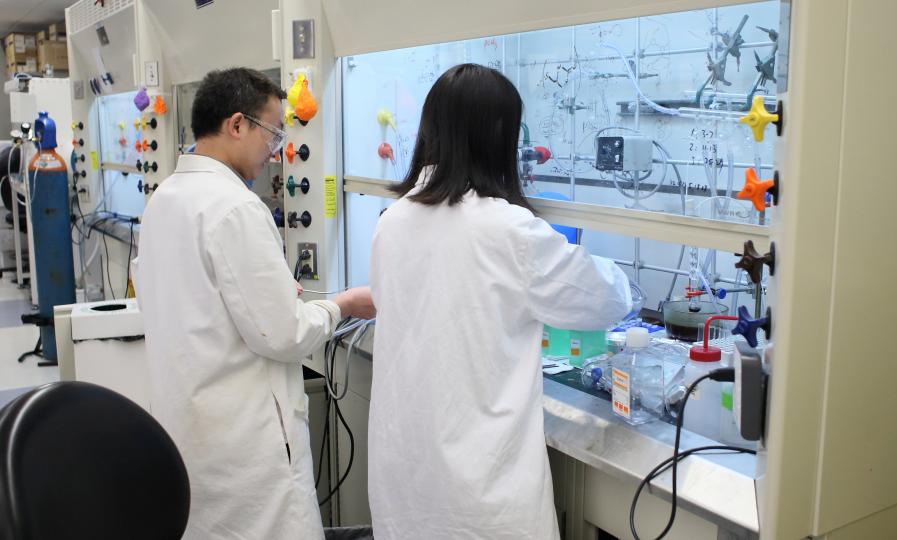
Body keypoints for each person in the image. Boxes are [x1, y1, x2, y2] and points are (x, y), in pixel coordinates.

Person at [367, 63, 632, 539]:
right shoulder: (508, 229)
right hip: (482, 500)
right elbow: (606, 298)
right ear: (497, 139)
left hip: (405, 479)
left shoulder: (393, 219)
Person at [133, 67, 375, 539]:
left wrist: (274, 297)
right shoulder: (237, 207)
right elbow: (285, 334)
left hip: (189, 429)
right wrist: (342, 304)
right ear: (237, 124)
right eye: (273, 130)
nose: (278, 147)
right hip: (244, 446)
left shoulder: (166, 198)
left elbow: (188, 300)